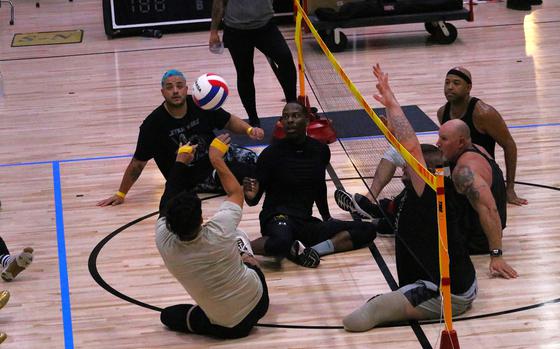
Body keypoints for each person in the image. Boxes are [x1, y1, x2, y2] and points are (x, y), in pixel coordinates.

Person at [343, 64, 477, 332]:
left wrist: (393, 103)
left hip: (446, 292)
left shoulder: (428, 192)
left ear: (421, 172)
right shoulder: (430, 188)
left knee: (357, 321)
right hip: (447, 276)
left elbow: (411, 145)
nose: (403, 165)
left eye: (409, 165)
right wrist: (390, 121)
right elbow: (403, 144)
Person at [156, 134, 269, 339]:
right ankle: (245, 254)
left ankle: (241, 257)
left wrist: (180, 162)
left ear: (169, 225)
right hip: (260, 301)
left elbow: (167, 196)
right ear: (201, 219)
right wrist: (216, 159)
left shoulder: (164, 241)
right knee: (238, 235)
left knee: (168, 316)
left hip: (229, 328)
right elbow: (235, 192)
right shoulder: (221, 229)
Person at [97, 69, 264, 207]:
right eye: (169, 87)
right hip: (194, 176)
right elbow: (137, 163)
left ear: (186, 89)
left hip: (217, 155)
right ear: (163, 92)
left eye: (179, 86)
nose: (175, 91)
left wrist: (249, 129)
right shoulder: (152, 125)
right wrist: (121, 193)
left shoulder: (199, 103)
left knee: (255, 159)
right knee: (246, 173)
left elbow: (228, 120)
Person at [244, 102, 377, 268]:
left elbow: (319, 187)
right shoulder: (270, 154)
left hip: (305, 222)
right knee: (281, 242)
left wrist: (327, 218)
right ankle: (243, 247)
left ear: (307, 121)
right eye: (285, 117)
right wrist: (250, 196)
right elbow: (253, 199)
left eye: (295, 116)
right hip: (277, 217)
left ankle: (309, 251)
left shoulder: (320, 151)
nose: (290, 120)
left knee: (367, 230)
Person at [437, 118, 517, 278]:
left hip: (474, 240)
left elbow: (489, 210)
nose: (438, 142)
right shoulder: (478, 148)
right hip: (477, 229)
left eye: (443, 139)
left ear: (460, 142)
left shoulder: (465, 171)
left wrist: (496, 255)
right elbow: (442, 163)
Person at [437, 66, 526, 206]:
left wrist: (510, 188)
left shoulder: (484, 114)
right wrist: (445, 179)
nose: (450, 87)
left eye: (456, 83)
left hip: (482, 174)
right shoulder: (442, 112)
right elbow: (446, 152)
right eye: (447, 82)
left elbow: (510, 146)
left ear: (468, 87)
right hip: (459, 175)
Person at [210, 0, 297, 127]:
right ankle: (253, 121)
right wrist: (213, 31)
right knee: (244, 73)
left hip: (265, 26)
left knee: (285, 59)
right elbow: (218, 2)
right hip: (236, 30)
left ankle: (293, 109)